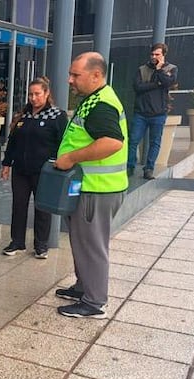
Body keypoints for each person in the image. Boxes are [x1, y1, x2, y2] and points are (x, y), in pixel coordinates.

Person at [53, 52, 128, 319]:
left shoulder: (102, 104)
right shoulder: (93, 100)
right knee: (82, 242)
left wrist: (71, 157)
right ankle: (84, 287)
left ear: (96, 75)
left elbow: (112, 142)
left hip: (99, 189)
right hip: (89, 187)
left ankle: (94, 302)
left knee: (92, 245)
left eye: (76, 75)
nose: (70, 80)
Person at [0, 77, 68, 259]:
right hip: (21, 170)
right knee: (19, 205)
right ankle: (17, 242)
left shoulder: (57, 115)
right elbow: (13, 142)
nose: (33, 98)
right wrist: (6, 163)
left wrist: (57, 164)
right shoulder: (23, 115)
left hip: (44, 171)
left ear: (46, 94)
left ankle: (41, 245)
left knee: (42, 208)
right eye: (30, 94)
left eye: (37, 94)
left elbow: (63, 143)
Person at [126, 43, 178, 180]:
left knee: (155, 143)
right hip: (141, 113)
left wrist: (159, 70)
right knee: (133, 141)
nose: (154, 57)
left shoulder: (171, 68)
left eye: (157, 54)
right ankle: (129, 167)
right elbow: (138, 87)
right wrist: (156, 84)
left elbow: (168, 83)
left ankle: (149, 169)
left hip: (159, 114)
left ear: (163, 55)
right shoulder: (142, 69)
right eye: (152, 54)